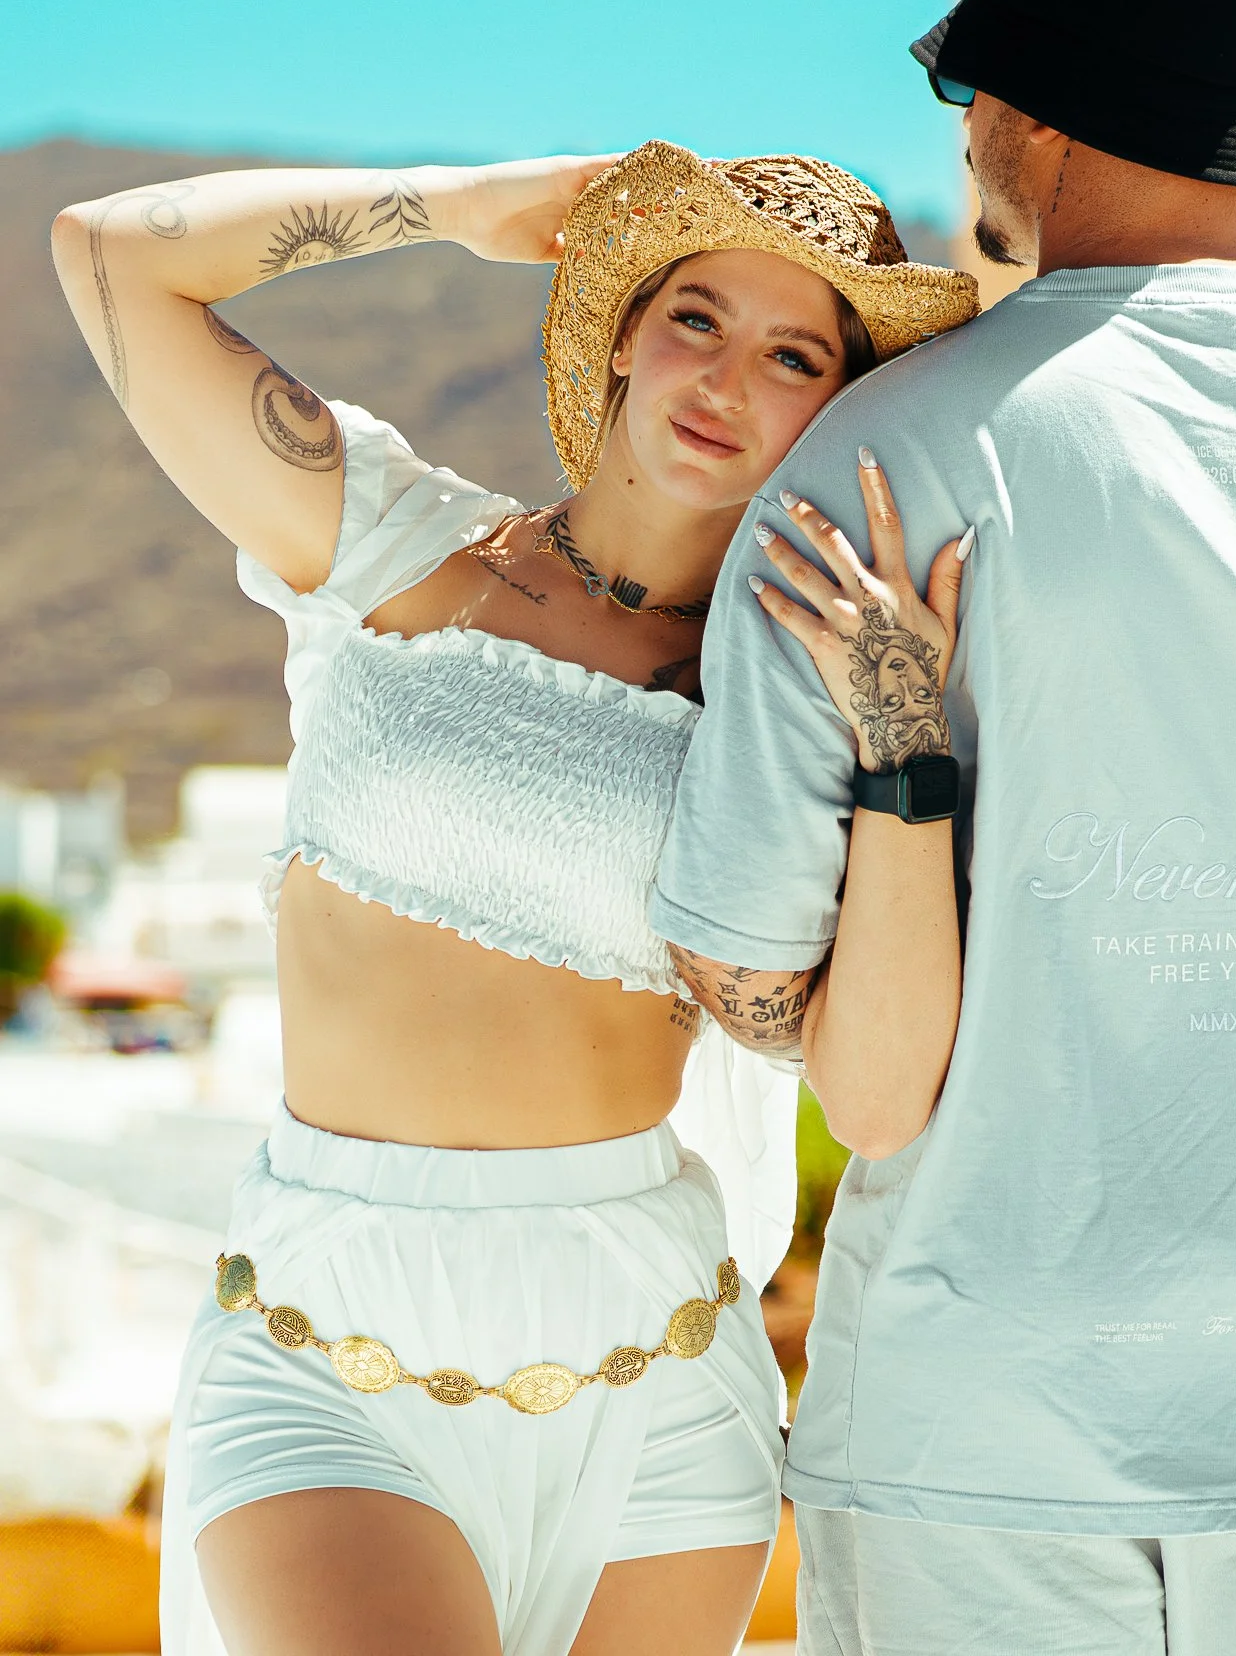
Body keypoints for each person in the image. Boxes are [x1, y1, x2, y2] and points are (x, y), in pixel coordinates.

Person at [50, 138, 977, 1656]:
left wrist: (897, 733)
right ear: (620, 329)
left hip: (653, 1366)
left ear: (832, 406)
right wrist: (464, 206)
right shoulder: (394, 545)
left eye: (792, 352)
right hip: (324, 1339)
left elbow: (872, 1086)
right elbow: (107, 255)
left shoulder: (786, 716)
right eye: (695, 316)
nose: (726, 377)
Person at [654, 0, 1236, 1654]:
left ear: (1024, 120)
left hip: (980, 1439)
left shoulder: (878, 459)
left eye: (965, 93)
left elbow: (745, 974)